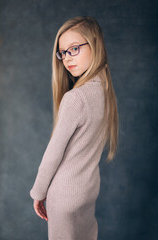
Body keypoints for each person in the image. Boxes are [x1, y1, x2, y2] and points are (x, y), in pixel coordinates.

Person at [30, 16, 118, 240]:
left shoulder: (76, 98)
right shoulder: (105, 91)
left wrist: (38, 193)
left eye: (75, 48)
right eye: (63, 52)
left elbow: (53, 153)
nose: (67, 58)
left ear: (95, 45)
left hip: (65, 195)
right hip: (88, 192)